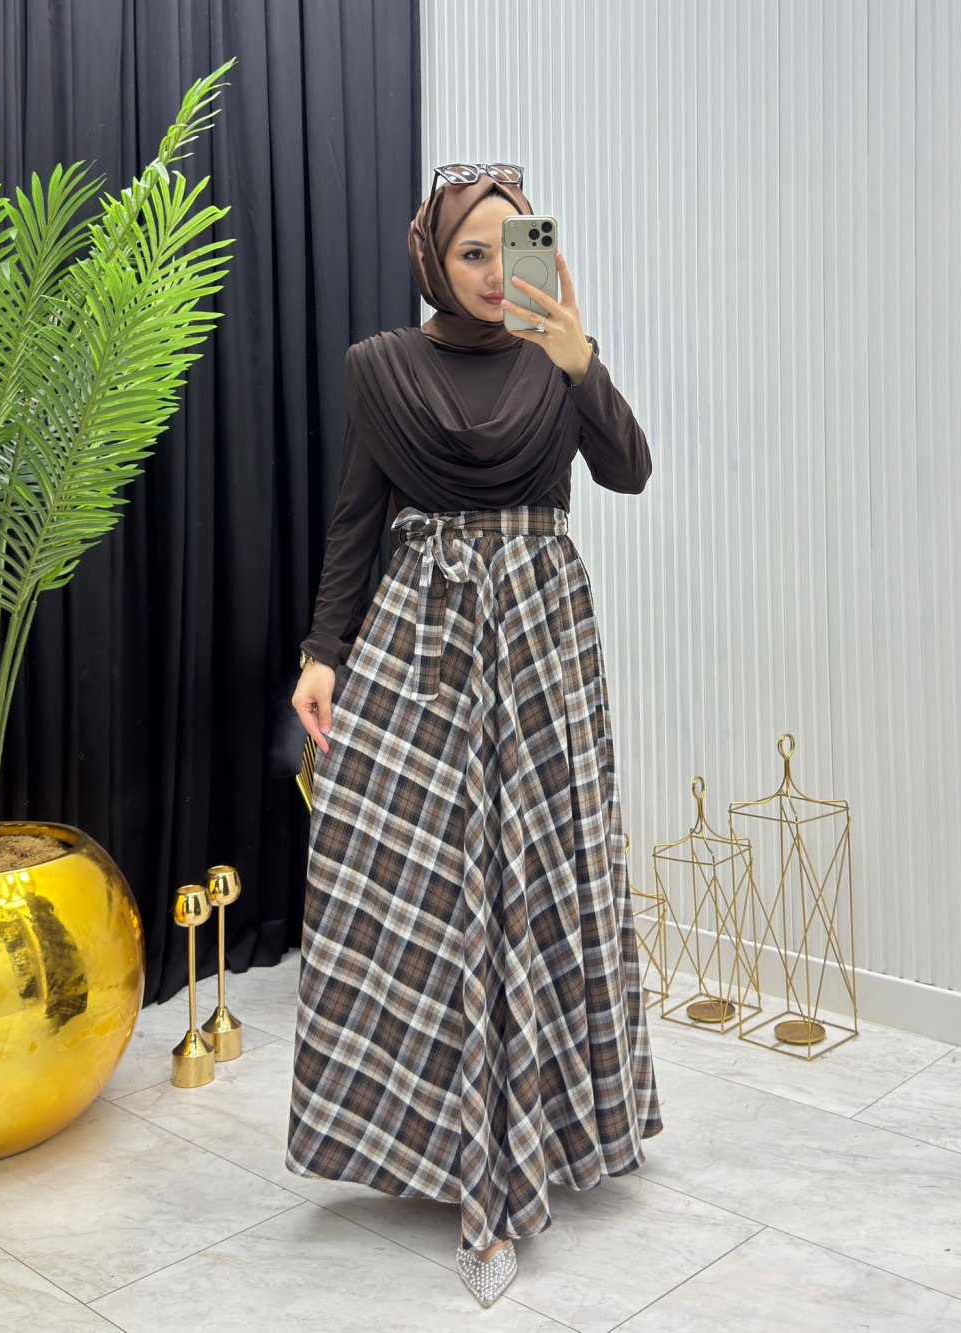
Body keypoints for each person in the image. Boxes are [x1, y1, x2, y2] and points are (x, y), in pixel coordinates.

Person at [286, 162, 662, 1309]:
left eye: (514, 247)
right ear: (433, 261)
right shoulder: (381, 368)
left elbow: (630, 473)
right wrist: (321, 650)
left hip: (542, 636)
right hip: (419, 634)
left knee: (540, 877)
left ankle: (550, 1134)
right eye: (472, 253)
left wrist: (581, 362)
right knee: (419, 886)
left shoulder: (555, 360)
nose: (498, 273)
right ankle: (433, 1142)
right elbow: (357, 517)